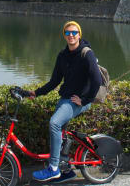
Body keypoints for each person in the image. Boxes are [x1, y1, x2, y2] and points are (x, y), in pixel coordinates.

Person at [30, 21, 103, 183]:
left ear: (79, 34)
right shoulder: (62, 56)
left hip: (78, 101)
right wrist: (36, 93)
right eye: (68, 33)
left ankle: (54, 168)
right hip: (65, 100)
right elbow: (54, 81)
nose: (71, 35)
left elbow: (97, 80)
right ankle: (67, 171)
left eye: (74, 32)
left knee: (54, 124)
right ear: (64, 35)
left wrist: (84, 100)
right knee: (61, 134)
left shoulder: (86, 53)